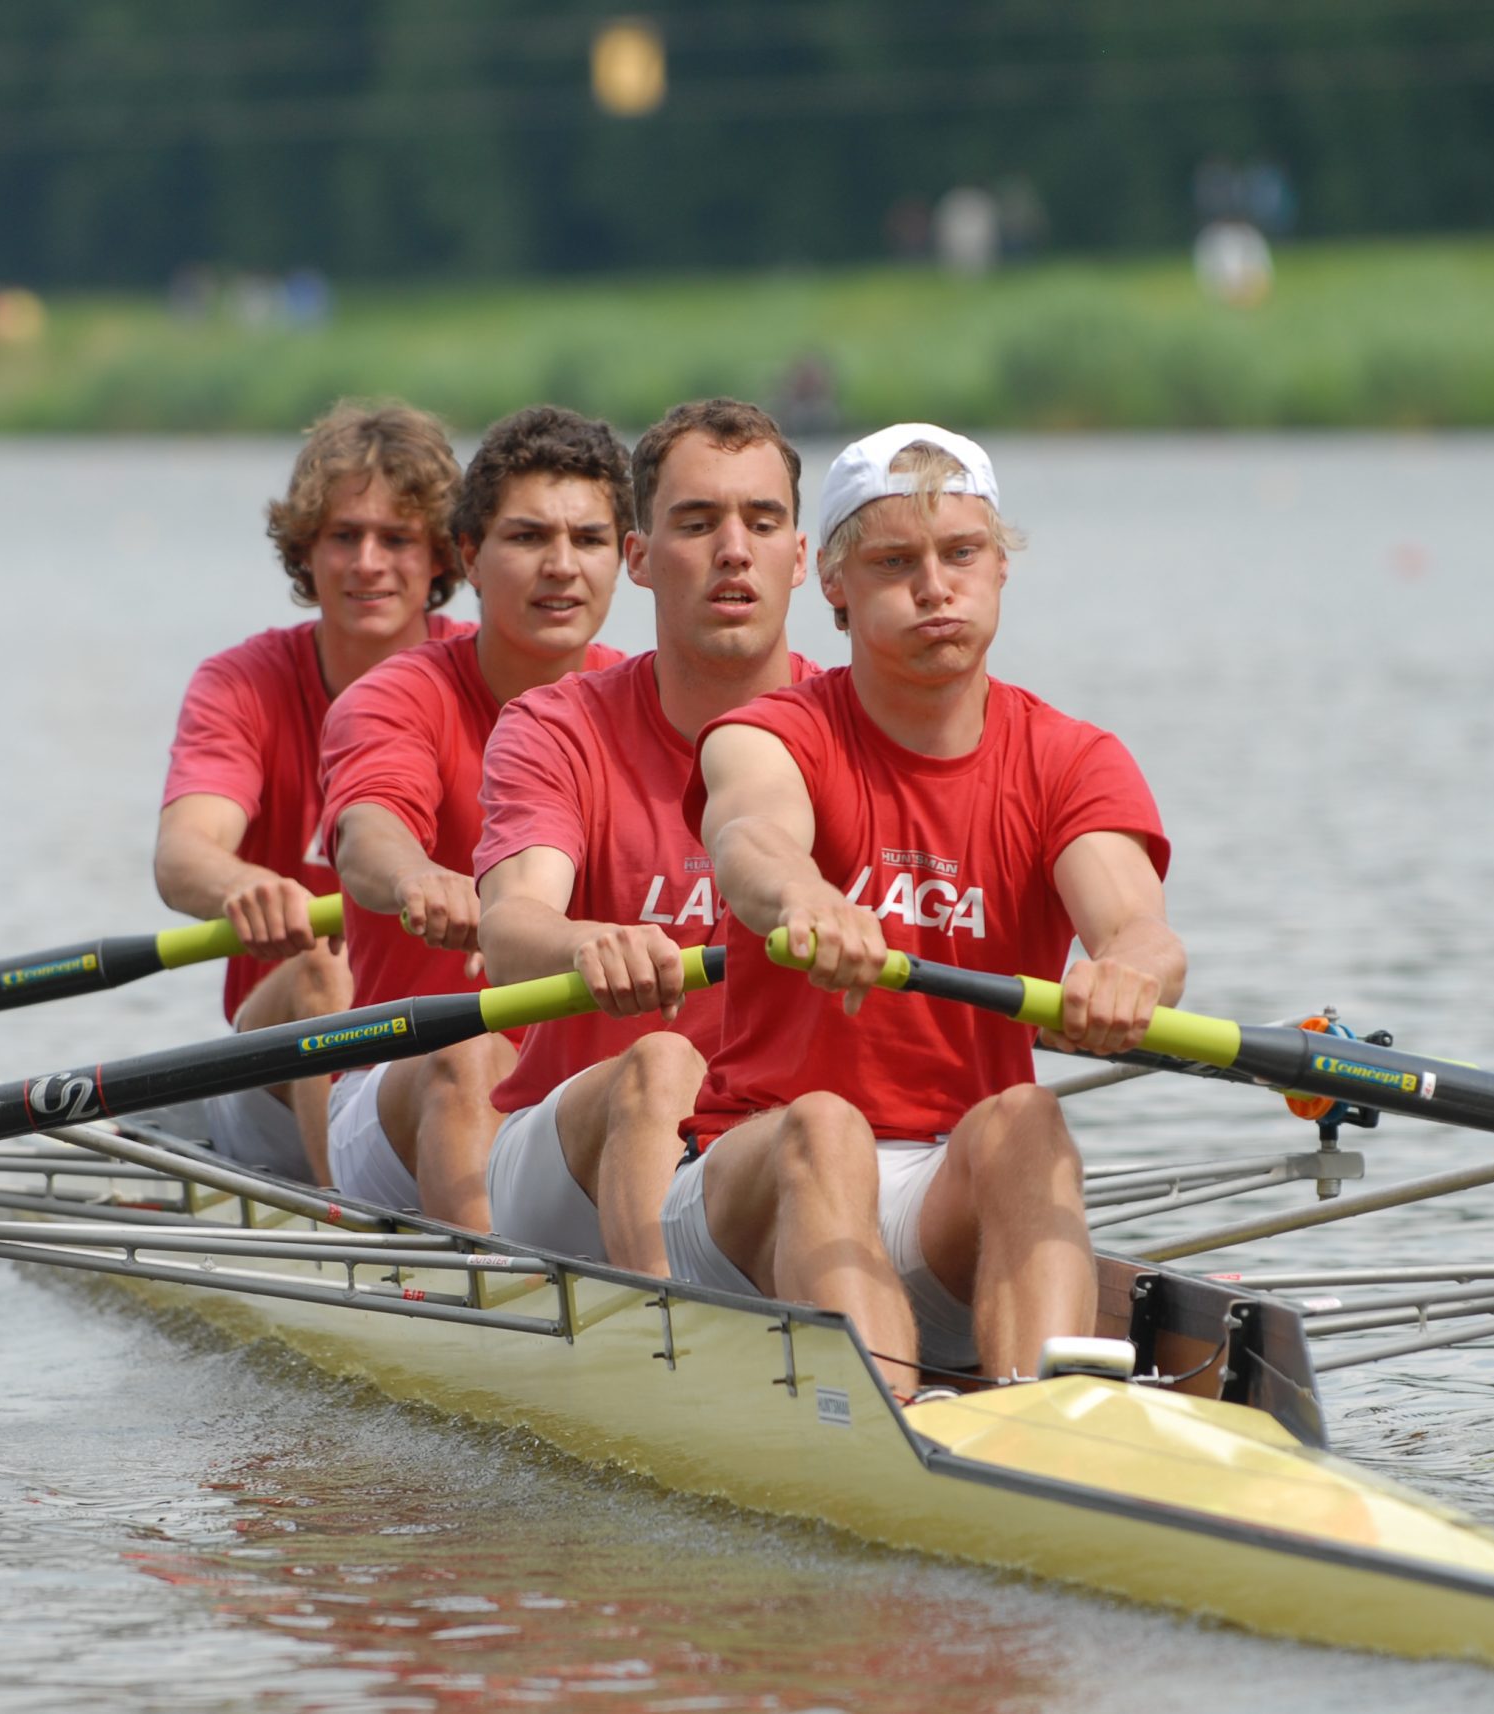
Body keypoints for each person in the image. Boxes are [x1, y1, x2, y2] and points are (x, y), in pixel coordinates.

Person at [669, 424, 1185, 1395]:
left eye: (960, 555)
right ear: (833, 585)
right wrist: (807, 896)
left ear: (999, 569)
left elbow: (1137, 928)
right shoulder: (774, 731)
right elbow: (748, 839)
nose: (933, 587)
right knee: (824, 1125)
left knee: (1029, 1117)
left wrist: (1126, 975)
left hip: (943, 1193)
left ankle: (1047, 1426)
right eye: (894, 561)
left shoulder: (1071, 759)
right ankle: (878, 1429)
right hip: (750, 1187)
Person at [474, 399, 815, 1270]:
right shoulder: (557, 728)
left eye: (761, 522)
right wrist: (589, 942)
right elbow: (511, 932)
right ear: (639, 559)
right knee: (660, 1060)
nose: (733, 550)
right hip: (565, 1163)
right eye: (697, 524)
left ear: (803, 558)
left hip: (766, 1143)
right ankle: (676, 1342)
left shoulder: (849, 727)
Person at [318, 406, 631, 1228]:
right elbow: (367, 835)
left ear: (627, 558)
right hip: (402, 1084)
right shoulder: (396, 695)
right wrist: (418, 875)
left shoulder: (654, 701)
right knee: (471, 1054)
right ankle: (494, 1308)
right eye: (527, 538)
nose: (562, 568)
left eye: (589, 541)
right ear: (469, 557)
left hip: (582, 1091)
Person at [155, 402, 469, 1182]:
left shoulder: (491, 677)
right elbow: (183, 855)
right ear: (305, 551)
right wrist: (245, 886)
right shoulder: (244, 684)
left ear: (440, 557)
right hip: (275, 1064)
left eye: (396, 539)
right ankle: (350, 1222)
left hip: (447, 1058)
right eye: (343, 536)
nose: (368, 562)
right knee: (325, 968)